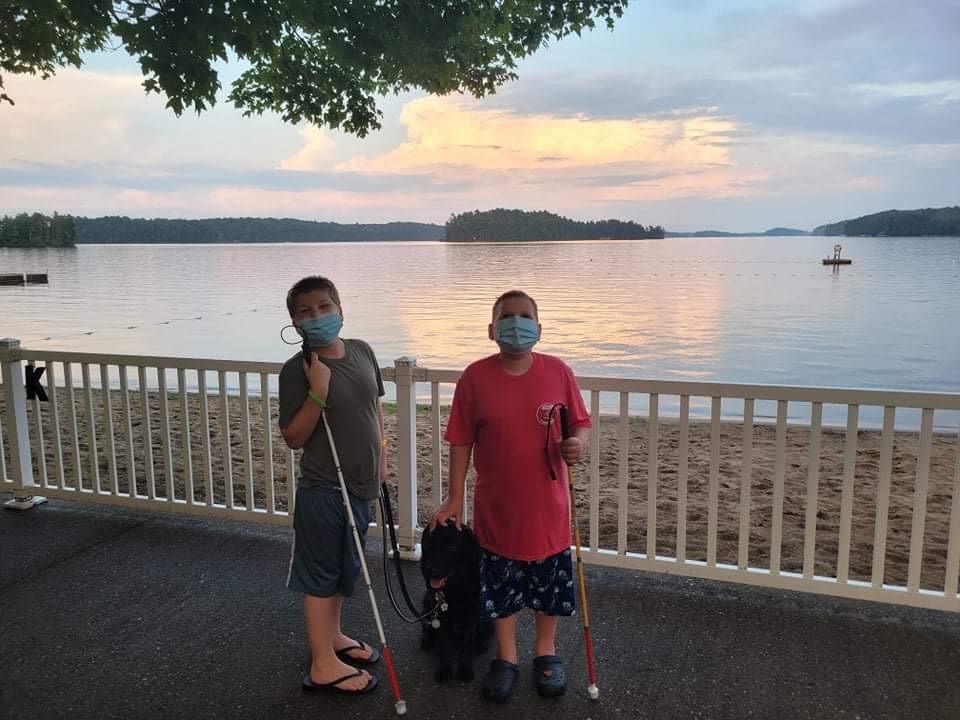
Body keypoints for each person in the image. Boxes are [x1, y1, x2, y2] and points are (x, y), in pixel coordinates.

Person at [431, 289, 591, 702]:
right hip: (496, 512)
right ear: (491, 329)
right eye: (506, 316)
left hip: (549, 512)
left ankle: (546, 653)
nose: (515, 323)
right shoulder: (474, 377)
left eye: (524, 316)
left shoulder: (558, 372)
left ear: (539, 327)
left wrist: (578, 444)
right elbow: (461, 441)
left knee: (548, 589)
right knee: (501, 591)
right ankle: (506, 657)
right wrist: (454, 497)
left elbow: (582, 425)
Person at [278, 275, 387, 696]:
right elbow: (293, 437)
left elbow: (373, 406)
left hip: (360, 484)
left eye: (324, 307)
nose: (317, 316)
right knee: (321, 575)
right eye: (306, 312)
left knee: (346, 567)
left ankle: (334, 638)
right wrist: (318, 392)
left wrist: (382, 457)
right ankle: (323, 663)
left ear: (340, 309)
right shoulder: (299, 370)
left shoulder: (361, 351)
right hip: (324, 488)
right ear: (294, 322)